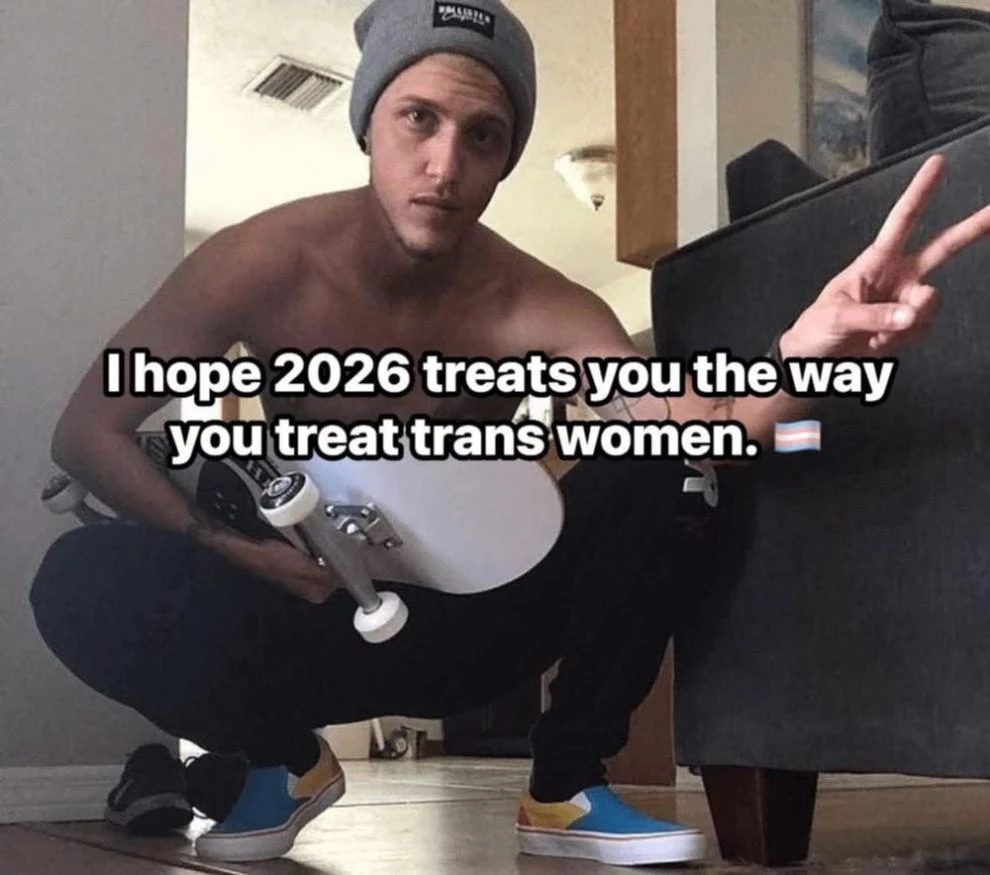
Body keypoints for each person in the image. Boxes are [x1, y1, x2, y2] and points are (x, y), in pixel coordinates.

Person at [28, 0, 990, 867]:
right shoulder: (257, 262)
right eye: (419, 119)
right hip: (301, 611)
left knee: (664, 464)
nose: (446, 166)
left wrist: (806, 349)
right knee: (79, 582)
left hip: (473, 628)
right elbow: (87, 434)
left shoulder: (538, 304)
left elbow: (706, 427)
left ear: (506, 155)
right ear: (369, 122)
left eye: (482, 135)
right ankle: (285, 759)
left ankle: (563, 787)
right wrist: (233, 548)